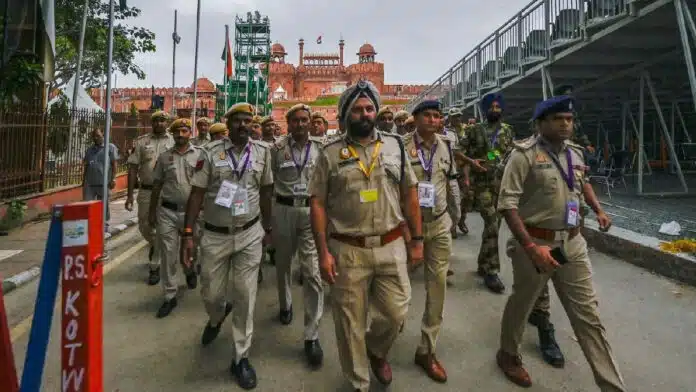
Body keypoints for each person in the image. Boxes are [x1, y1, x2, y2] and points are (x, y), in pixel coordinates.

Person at [496, 96, 626, 391]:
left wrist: (598, 210)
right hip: (535, 245)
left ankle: (612, 385)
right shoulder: (523, 155)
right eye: (558, 119)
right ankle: (507, 354)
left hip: (572, 243)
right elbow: (507, 204)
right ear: (541, 123)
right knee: (523, 303)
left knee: (588, 316)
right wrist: (530, 248)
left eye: (569, 119)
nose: (566, 124)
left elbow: (583, 184)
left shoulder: (576, 154)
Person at [309, 80, 424, 392]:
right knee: (349, 325)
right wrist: (323, 253)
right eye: (358, 109)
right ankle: (358, 382)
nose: (365, 113)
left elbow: (410, 194)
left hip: (391, 244)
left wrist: (417, 240)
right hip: (348, 248)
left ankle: (375, 350)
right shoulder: (330, 153)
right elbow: (317, 202)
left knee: (396, 312)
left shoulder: (395, 146)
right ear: (346, 114)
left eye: (370, 108)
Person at [181, 102, 273, 390]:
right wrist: (187, 233)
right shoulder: (210, 154)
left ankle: (240, 357)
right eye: (238, 121)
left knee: (246, 296)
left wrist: (269, 230)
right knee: (211, 293)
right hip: (215, 234)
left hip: (249, 233)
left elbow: (267, 191)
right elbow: (196, 194)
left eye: (248, 121)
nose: (243, 125)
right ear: (228, 123)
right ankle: (216, 317)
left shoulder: (262, 153)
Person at [403, 100, 455, 383]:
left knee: (437, 289)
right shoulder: (400, 147)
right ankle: (387, 333)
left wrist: (454, 218)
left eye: (438, 116)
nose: (434, 120)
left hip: (439, 225)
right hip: (408, 230)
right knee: (397, 291)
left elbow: (449, 182)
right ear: (416, 118)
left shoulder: (446, 146)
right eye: (428, 115)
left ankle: (427, 349)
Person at [270, 103, 325, 367]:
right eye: (296, 121)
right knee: (282, 264)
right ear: (288, 124)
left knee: (312, 271)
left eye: (305, 120)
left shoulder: (320, 149)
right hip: (283, 209)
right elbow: (267, 183)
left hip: (310, 211)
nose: (301, 125)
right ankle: (285, 305)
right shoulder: (277, 150)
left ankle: (311, 335)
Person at [460, 93, 514, 294]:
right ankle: (492, 271)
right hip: (480, 185)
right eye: (491, 107)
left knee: (494, 226)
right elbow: (458, 150)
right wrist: (470, 163)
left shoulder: (508, 131)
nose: (495, 110)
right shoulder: (474, 130)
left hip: (501, 186)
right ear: (485, 110)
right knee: (491, 222)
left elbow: (512, 155)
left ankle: (483, 263)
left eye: (498, 107)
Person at [148, 118, 200, 318]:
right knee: (168, 253)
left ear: (189, 132)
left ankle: (189, 271)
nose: (180, 134)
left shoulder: (199, 155)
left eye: (184, 130)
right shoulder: (164, 158)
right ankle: (170, 295)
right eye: (177, 131)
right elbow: (156, 186)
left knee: (190, 249)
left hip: (191, 212)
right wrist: (152, 211)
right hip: (168, 212)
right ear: (173, 133)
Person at [125, 110, 174, 285]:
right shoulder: (141, 142)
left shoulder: (174, 141)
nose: (160, 124)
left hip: (167, 191)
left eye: (163, 120)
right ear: (152, 123)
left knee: (162, 227)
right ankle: (156, 246)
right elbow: (132, 169)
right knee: (145, 226)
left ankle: (155, 266)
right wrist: (130, 195)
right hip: (146, 191)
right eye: (156, 121)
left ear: (167, 123)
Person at [82, 128, 119, 229]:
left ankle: (104, 224)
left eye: (97, 135)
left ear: (103, 134)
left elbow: (114, 164)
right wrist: (83, 181)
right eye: (94, 136)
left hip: (104, 182)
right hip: (89, 182)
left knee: (104, 205)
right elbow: (86, 166)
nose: (95, 138)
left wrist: (113, 179)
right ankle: (89, 224)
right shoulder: (90, 150)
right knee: (87, 204)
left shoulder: (110, 148)